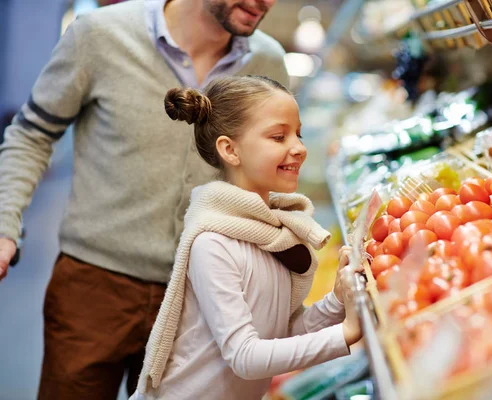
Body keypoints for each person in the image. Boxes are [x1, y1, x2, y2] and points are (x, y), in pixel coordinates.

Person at [0, 0, 288, 398]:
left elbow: (269, 174)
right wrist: (4, 224)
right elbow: (31, 133)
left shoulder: (269, 62)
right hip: (94, 288)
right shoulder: (99, 35)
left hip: (204, 295)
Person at [130, 75, 362, 400]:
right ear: (230, 150)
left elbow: (282, 334)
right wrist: (346, 333)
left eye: (299, 134)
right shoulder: (213, 243)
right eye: (279, 136)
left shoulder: (273, 234)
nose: (299, 148)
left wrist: (337, 301)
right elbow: (245, 357)